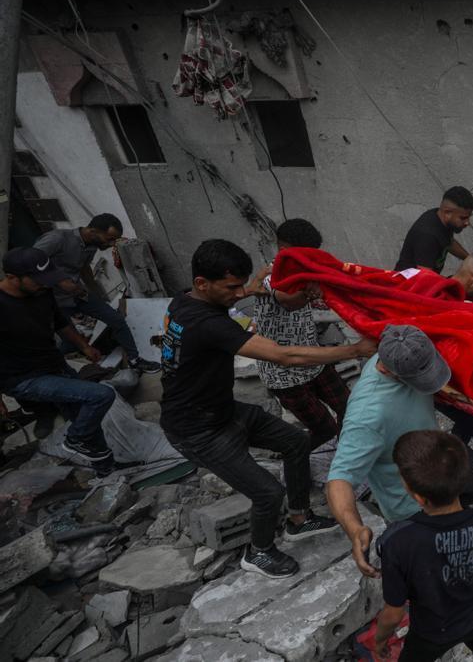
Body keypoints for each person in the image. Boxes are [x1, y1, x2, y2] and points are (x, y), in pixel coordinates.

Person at [160, 239, 377, 578]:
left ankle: (299, 518)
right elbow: (283, 354)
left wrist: (248, 289)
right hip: (196, 430)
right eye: (231, 288)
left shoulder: (183, 301)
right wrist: (353, 351)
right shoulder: (209, 325)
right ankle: (258, 551)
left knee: (296, 442)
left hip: (223, 411)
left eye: (239, 286)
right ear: (202, 283)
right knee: (267, 492)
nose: (237, 294)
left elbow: (215, 307)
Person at [326, 325, 473, 578]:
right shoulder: (367, 416)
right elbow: (338, 480)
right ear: (386, 370)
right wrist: (354, 529)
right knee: (438, 564)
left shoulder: (401, 347)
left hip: (444, 458)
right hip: (413, 503)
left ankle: (455, 510)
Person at [371, 429, 473, 662]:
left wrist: (380, 640)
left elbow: (393, 613)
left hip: (431, 633)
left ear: (419, 497)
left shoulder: (398, 542)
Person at [0, 247, 117, 473]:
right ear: (12, 278)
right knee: (101, 396)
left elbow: (60, 322)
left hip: (54, 365)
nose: (44, 284)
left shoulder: (40, 292)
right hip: (22, 378)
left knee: (85, 419)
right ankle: (75, 440)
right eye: (38, 280)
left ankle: (107, 471)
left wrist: (84, 346)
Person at [393, 251, 473, 460]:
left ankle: (457, 455)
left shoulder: (438, 292)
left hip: (448, 385)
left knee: (469, 427)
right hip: (441, 386)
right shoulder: (443, 306)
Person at [248, 219, 349, 450]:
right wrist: (310, 291)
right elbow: (289, 301)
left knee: (350, 407)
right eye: (307, 255)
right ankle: (294, 456)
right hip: (284, 374)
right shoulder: (271, 274)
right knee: (325, 429)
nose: (312, 260)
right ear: (286, 251)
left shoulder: (306, 271)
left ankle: (349, 453)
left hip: (312, 359)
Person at [34, 213, 160, 372]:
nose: (111, 244)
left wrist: (97, 293)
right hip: (54, 300)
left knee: (115, 319)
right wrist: (59, 281)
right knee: (70, 340)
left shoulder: (91, 245)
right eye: (109, 239)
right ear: (93, 231)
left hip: (78, 294)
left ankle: (135, 360)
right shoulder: (58, 239)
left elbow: (84, 268)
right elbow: (30, 261)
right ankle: (52, 369)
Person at [394, 186, 473, 273]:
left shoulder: (441, 218)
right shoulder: (427, 236)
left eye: (469, 217)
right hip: (408, 284)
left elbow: (448, 242)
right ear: (447, 212)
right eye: (463, 218)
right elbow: (425, 278)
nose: (467, 223)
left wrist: (470, 260)